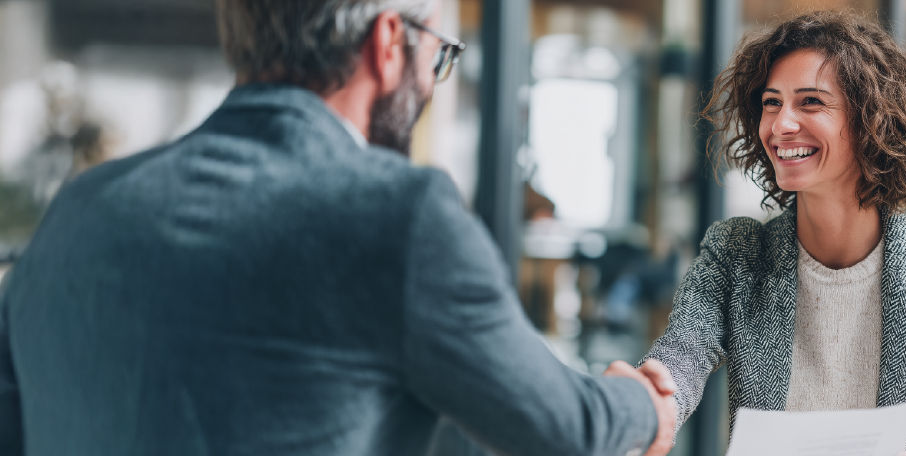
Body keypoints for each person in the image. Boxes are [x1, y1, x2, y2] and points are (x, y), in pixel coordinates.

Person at [0, 1, 677, 455]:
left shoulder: (78, 210)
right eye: (438, 57)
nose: (433, 82)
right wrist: (645, 405)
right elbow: (567, 429)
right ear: (389, 42)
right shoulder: (397, 214)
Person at [637, 11, 906, 456]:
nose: (780, 125)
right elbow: (681, 356)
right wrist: (645, 400)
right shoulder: (735, 252)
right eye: (772, 102)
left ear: (873, 121)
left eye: (811, 102)